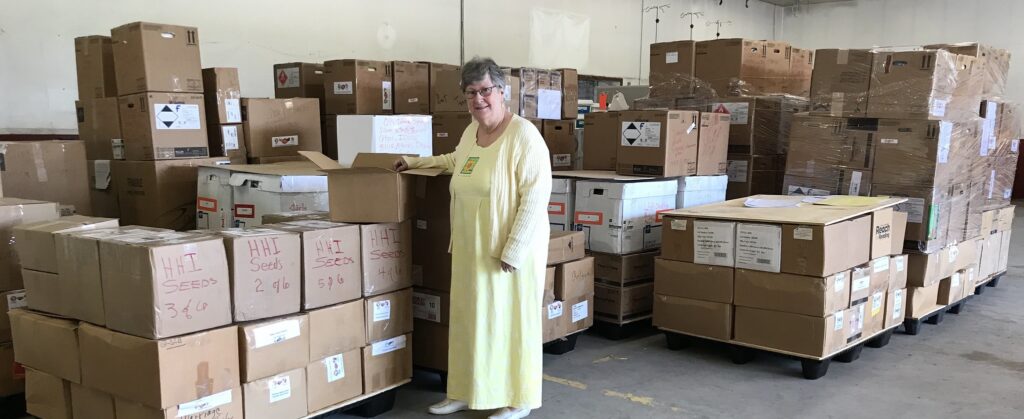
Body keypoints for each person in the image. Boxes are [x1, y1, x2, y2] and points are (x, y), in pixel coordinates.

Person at [395, 57, 552, 419]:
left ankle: (518, 398)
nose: (478, 99)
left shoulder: (524, 136)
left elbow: (536, 197)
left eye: (485, 91)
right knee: (470, 320)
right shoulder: (471, 132)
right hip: (470, 246)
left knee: (511, 321)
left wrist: (513, 250)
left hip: (508, 251)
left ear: (501, 92)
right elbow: (455, 160)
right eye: (470, 93)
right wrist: (414, 162)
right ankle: (466, 390)